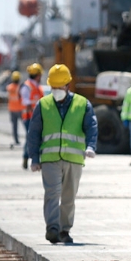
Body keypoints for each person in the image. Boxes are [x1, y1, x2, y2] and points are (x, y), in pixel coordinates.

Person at [26, 64, 98, 244]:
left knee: (68, 196)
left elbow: (91, 127)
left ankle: (64, 230)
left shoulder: (82, 104)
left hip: (74, 159)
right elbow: (34, 133)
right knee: (51, 193)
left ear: (68, 85)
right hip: (50, 159)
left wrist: (91, 146)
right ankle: (52, 228)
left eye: (60, 87)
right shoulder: (43, 105)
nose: (56, 90)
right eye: (54, 87)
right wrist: (34, 158)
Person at [19, 63, 44, 169]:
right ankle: (26, 158)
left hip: (38, 117)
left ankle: (37, 158)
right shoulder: (27, 86)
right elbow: (26, 102)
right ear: (37, 75)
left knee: (38, 138)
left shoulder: (38, 87)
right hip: (30, 117)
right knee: (31, 138)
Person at [6, 71, 24, 145]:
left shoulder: (9, 87)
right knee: (25, 124)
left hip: (12, 109)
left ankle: (16, 140)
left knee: (14, 126)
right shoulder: (19, 88)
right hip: (19, 109)